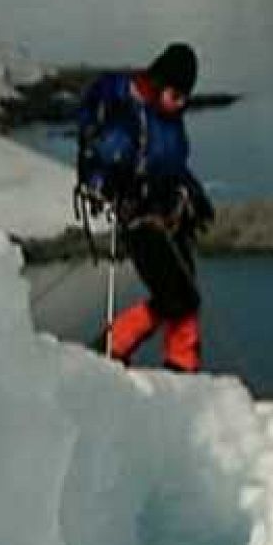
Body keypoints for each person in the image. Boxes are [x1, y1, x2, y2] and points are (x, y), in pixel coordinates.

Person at [75, 42, 214, 373]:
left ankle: (182, 361)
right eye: (176, 95)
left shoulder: (169, 118)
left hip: (168, 211)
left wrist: (191, 193)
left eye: (185, 98)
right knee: (175, 294)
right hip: (137, 215)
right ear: (159, 84)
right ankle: (115, 345)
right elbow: (108, 160)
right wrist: (104, 188)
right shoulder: (128, 116)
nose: (180, 103)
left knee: (185, 290)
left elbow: (171, 163)